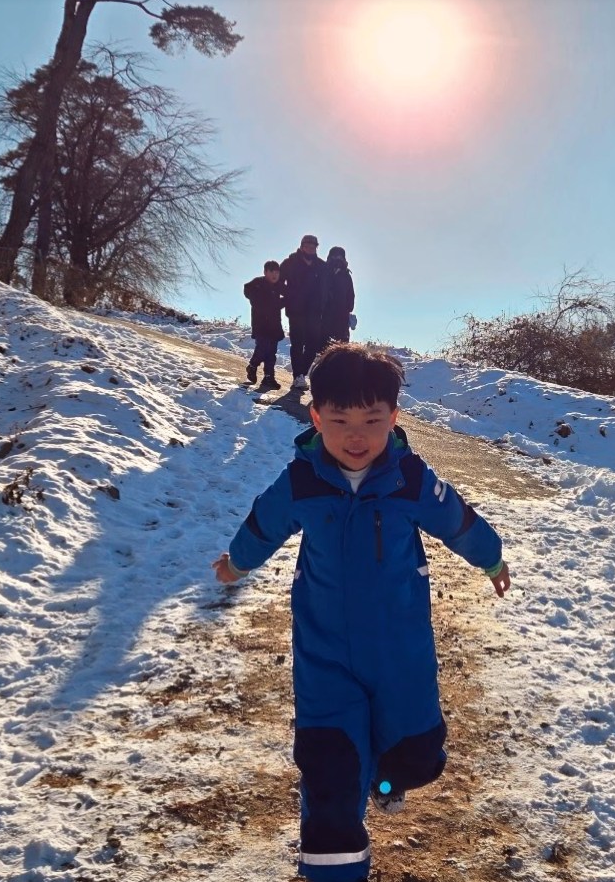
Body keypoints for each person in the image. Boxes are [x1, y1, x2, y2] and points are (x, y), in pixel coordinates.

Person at [210, 344, 511, 882]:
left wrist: (491, 559)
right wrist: (236, 563)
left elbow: (456, 519)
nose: (357, 436)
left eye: (372, 421)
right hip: (325, 655)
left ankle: (386, 781)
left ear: (393, 418)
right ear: (316, 417)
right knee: (330, 770)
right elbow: (263, 524)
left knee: (415, 756)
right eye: (341, 421)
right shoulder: (302, 481)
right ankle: (335, 867)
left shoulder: (408, 478)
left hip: (400, 652)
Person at [279, 234, 326, 390]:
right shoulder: (290, 262)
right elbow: (278, 281)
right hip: (296, 310)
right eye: (308, 246)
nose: (310, 249)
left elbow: (327, 287)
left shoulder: (321, 266)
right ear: (302, 246)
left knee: (313, 345)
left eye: (313, 247)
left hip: (315, 311)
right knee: (297, 344)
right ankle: (297, 376)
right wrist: (290, 295)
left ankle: (302, 374)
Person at [242, 260, 285, 390]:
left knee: (271, 353)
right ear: (265, 272)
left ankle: (268, 377)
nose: (275, 275)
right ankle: (252, 366)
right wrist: (278, 303)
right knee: (262, 348)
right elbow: (256, 298)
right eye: (271, 271)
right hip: (261, 325)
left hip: (274, 326)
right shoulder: (258, 284)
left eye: (277, 272)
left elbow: (289, 294)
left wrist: (288, 300)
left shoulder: (278, 286)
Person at [320, 246, 356, 346]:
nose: (336, 260)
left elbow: (351, 295)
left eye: (339, 257)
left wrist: (348, 309)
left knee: (341, 346)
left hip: (341, 317)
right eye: (334, 257)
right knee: (322, 345)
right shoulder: (323, 273)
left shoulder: (346, 275)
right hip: (324, 316)